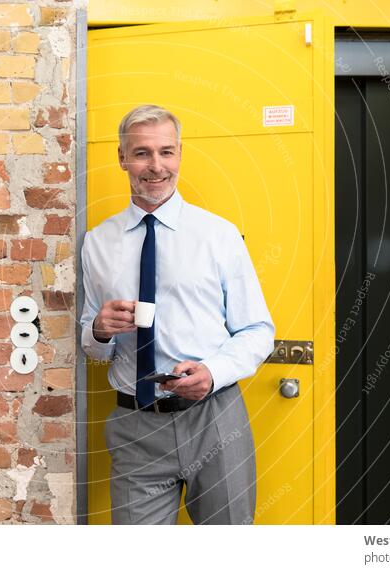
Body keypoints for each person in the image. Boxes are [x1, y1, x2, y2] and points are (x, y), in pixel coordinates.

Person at [80, 104, 276, 525]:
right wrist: (98, 331)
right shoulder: (97, 243)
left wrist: (212, 371)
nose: (155, 166)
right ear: (122, 158)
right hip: (136, 427)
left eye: (166, 152)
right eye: (142, 153)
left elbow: (258, 330)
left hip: (215, 419)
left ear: (180, 154)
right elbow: (95, 353)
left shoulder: (217, 235)